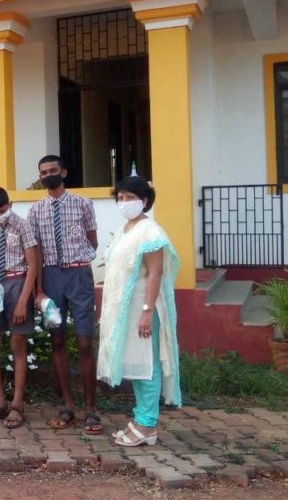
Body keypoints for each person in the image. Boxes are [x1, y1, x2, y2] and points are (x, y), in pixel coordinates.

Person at [98, 175, 181, 447]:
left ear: (144, 201)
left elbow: (155, 273)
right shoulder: (126, 229)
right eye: (120, 198)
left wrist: (147, 311)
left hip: (143, 310)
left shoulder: (151, 232)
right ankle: (141, 418)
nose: (124, 202)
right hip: (125, 311)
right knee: (134, 363)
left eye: (130, 198)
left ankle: (147, 424)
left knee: (147, 363)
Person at [27, 155, 101, 434]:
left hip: (79, 276)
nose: (48, 175)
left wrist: (79, 261)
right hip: (51, 278)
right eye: (43, 172)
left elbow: (92, 240)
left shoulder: (83, 204)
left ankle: (91, 409)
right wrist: (40, 290)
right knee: (57, 341)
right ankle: (68, 406)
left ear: (64, 172)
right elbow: (36, 252)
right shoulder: (35, 211)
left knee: (84, 342)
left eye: (53, 171)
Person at [0, 187, 39, 429]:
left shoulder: (22, 226)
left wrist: (24, 299)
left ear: (10, 204)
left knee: (17, 344)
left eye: (2, 210)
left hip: (18, 282)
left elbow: (33, 264)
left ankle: (17, 404)